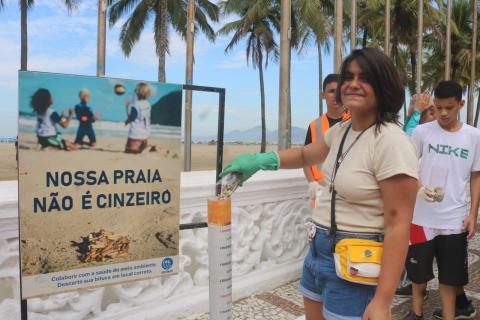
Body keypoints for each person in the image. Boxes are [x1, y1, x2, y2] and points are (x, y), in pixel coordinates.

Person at [221, 48, 419, 319]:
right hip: (318, 249)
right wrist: (261, 160)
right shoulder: (342, 130)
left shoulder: (391, 141)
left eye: (365, 78)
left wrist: (383, 300)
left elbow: (399, 223)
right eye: (348, 77)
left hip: (357, 257)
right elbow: (305, 154)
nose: (353, 84)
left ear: (384, 86)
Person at [403, 81, 480, 320]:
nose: (443, 113)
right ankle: (416, 314)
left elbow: (476, 176)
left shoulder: (474, 136)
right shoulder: (422, 132)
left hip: (454, 219)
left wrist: (473, 215)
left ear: (461, 104)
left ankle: (449, 317)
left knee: (450, 277)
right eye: (438, 108)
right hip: (421, 218)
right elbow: (405, 165)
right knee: (418, 273)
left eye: (450, 107)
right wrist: (420, 188)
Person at [303, 74, 350, 207]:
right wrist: (312, 183)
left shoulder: (355, 121)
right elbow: (305, 159)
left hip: (348, 192)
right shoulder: (314, 126)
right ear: (323, 95)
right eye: (331, 91)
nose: (335, 96)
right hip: (321, 191)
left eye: (339, 91)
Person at [124, 82, 153, 154]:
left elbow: (132, 118)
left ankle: (137, 149)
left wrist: (127, 108)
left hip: (135, 133)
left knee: (128, 151)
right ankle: (145, 147)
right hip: (146, 133)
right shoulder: (148, 104)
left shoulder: (136, 104)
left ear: (138, 92)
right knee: (141, 148)